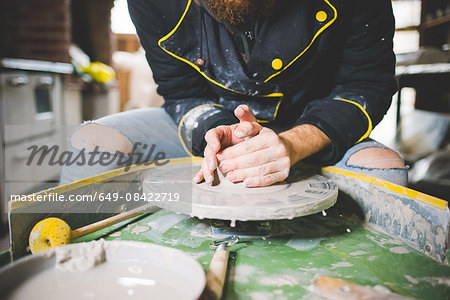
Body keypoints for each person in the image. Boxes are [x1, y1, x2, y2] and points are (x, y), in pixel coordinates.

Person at [60, 0, 407, 187]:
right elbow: (181, 93)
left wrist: (292, 144)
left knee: (386, 172)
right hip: (220, 122)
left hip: (309, 125)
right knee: (92, 147)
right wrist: (221, 134)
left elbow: (365, 86)